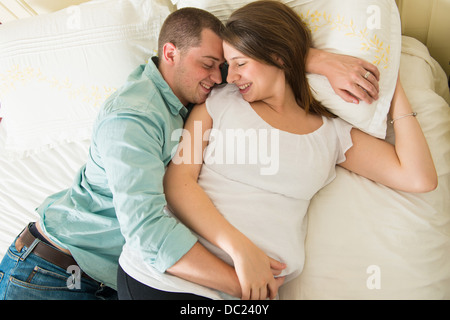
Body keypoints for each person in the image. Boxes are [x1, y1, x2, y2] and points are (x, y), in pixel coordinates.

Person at [0, 5, 383, 300]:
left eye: (224, 66)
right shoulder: (133, 117)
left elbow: (265, 62)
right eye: (209, 65)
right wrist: (245, 283)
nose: (219, 79)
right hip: (50, 272)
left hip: (117, 277)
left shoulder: (195, 94)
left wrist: (320, 60)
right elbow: (147, 228)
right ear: (170, 52)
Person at [116, 1, 437, 300]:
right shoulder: (217, 102)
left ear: (279, 58)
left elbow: (418, 177)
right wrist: (242, 251)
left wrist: (392, 85)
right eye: (228, 65)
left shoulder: (333, 135)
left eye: (239, 63)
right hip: (167, 280)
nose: (230, 75)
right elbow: (178, 181)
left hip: (248, 296)